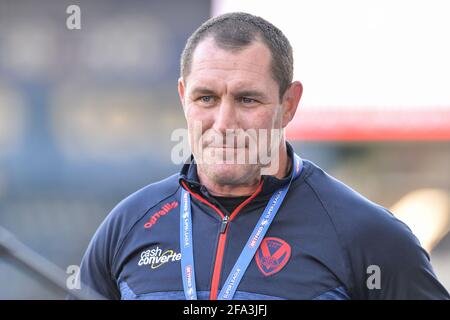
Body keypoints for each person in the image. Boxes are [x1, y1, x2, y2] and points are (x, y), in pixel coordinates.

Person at [77, 12, 450, 300]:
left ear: (289, 104)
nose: (224, 123)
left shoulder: (368, 236)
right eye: (206, 97)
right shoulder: (126, 227)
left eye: (247, 99)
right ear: (182, 97)